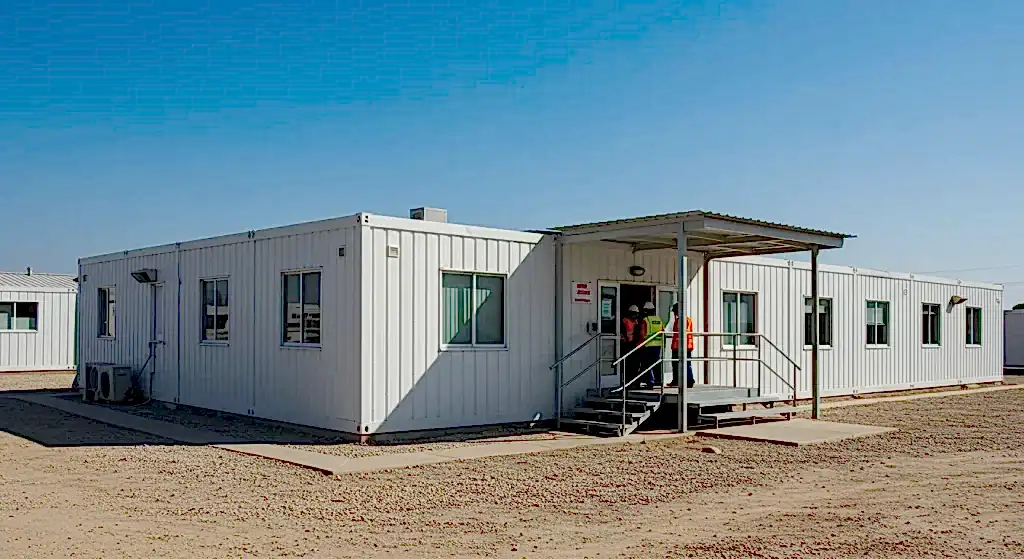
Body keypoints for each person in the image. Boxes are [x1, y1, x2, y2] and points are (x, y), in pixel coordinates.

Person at [666, 303, 695, 389]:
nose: (674, 314)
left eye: (675, 312)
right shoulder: (680, 320)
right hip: (678, 346)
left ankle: (689, 381)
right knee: (677, 364)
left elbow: (683, 333)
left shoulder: (683, 320)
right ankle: (677, 381)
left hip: (683, 346)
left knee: (684, 364)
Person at [638, 301, 665, 387]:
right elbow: (663, 331)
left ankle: (651, 381)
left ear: (645, 311)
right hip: (658, 345)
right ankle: (659, 380)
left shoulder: (646, 320)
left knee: (648, 364)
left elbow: (642, 334)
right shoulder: (659, 319)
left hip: (648, 345)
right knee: (656, 363)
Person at [620, 305, 641, 388]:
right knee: (628, 365)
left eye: (635, 314)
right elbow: (622, 331)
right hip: (627, 344)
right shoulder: (625, 320)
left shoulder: (636, 321)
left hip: (635, 344)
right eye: (633, 313)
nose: (634, 315)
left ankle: (633, 382)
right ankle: (627, 382)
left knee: (635, 365)